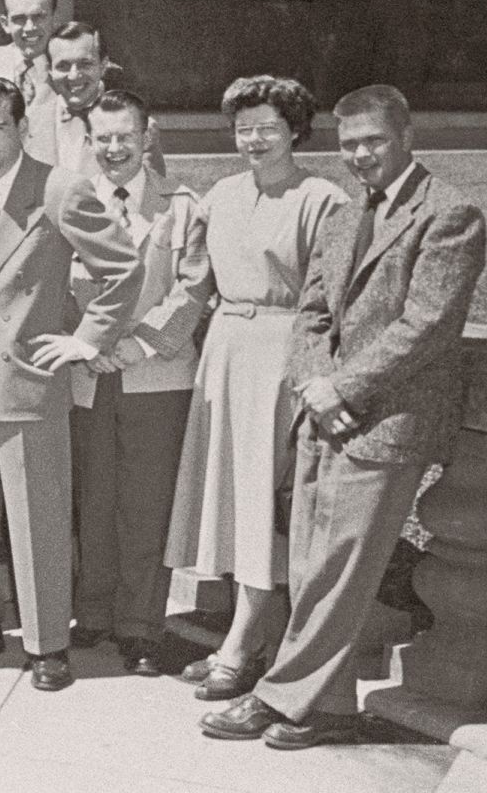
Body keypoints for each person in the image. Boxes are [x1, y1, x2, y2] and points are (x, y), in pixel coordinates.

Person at [201, 86, 486, 749]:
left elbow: (426, 326)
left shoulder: (451, 214)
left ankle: (275, 694)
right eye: (350, 143)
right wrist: (312, 383)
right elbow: (313, 312)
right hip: (322, 414)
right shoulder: (343, 210)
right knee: (306, 567)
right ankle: (326, 708)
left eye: (373, 142)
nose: (360, 155)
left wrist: (346, 389)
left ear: (406, 136)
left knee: (337, 570)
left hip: (387, 423)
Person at [0, 77, 143, 692]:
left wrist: (87, 340)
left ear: (21, 126)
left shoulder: (59, 187)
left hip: (27, 375)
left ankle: (48, 644)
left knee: (36, 514)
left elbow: (123, 267)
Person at [165, 76, 348, 701]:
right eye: (244, 128)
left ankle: (244, 645)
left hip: (282, 356)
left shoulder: (322, 198)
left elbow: (331, 298)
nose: (254, 139)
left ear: (296, 129)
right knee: (232, 500)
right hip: (225, 350)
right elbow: (193, 280)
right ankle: (244, 635)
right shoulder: (220, 193)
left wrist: (312, 375)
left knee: (263, 505)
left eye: (268, 127)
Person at [68, 89, 210, 675]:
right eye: (103, 137)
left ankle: (141, 624)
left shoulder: (180, 206)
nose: (114, 147)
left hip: (156, 374)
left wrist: (136, 344)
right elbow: (56, 282)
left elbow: (193, 287)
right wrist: (88, 347)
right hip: (87, 376)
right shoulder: (73, 203)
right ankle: (93, 613)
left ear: (148, 134)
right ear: (89, 141)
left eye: (125, 135)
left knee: (146, 504)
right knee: (93, 498)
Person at [34, 21, 164, 176]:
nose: (74, 75)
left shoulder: (133, 122)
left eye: (85, 64)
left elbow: (149, 191)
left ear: (103, 66)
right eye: (63, 66)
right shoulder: (30, 122)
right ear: (50, 70)